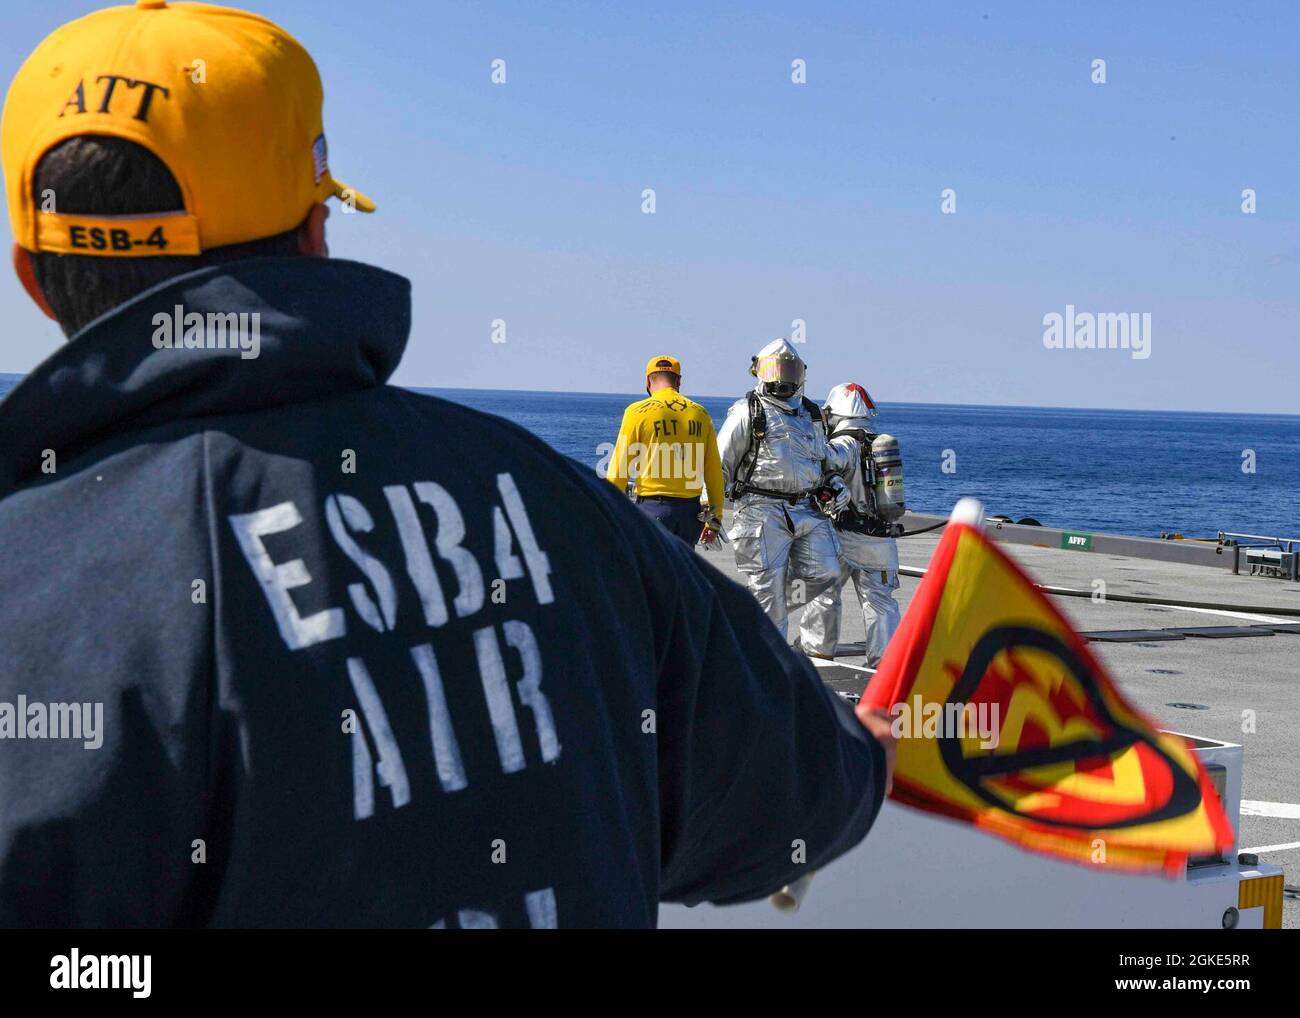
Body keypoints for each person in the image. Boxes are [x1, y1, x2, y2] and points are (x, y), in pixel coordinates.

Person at [0, 0, 894, 928]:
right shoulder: (560, 509)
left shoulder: (29, 589)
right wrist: (863, 755)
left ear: (30, 274)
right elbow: (789, 792)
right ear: (315, 230)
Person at [718, 338, 853, 639]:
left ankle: (754, 611)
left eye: (788, 369)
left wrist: (834, 483)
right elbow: (719, 464)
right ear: (758, 372)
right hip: (761, 510)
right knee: (768, 593)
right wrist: (709, 510)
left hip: (807, 508)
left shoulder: (811, 415)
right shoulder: (747, 412)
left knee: (827, 572)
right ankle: (771, 666)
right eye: (774, 369)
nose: (782, 378)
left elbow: (820, 461)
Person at [798, 383, 903, 666]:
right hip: (881, 540)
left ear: (834, 413)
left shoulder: (843, 444)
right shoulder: (880, 444)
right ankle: (885, 667)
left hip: (842, 536)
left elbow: (821, 463)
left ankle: (817, 656)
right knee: (881, 603)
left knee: (824, 594)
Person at [605, 355, 724, 546]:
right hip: (690, 515)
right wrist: (715, 519)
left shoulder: (636, 412)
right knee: (683, 571)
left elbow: (619, 468)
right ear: (679, 381)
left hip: (653, 509)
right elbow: (714, 472)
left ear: (647, 381)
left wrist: (608, 510)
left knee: (651, 572)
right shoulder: (700, 413)